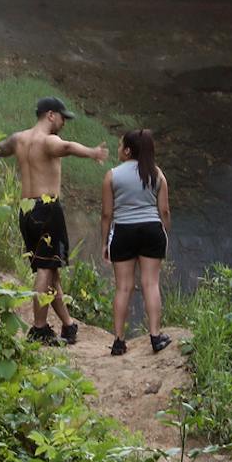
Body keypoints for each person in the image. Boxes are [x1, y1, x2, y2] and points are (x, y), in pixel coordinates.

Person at [0, 97, 108, 345]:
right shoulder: (48, 140)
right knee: (45, 269)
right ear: (51, 115)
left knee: (51, 270)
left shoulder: (18, 139)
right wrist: (92, 152)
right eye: (63, 117)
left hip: (26, 211)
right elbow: (68, 147)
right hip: (47, 209)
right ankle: (39, 329)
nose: (64, 123)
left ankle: (68, 325)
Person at [100, 127, 171, 356]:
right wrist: (164, 232)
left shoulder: (112, 175)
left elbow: (106, 214)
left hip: (123, 231)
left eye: (120, 145)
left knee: (123, 287)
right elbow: (164, 211)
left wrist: (105, 242)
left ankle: (119, 341)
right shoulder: (156, 174)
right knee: (150, 283)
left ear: (128, 151)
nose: (118, 149)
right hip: (151, 230)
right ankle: (156, 337)